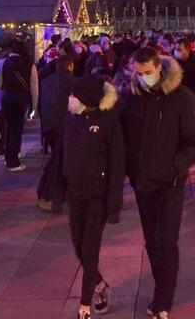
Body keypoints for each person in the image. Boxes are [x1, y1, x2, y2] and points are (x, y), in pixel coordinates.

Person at [118, 47, 195, 319]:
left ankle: (163, 299)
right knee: (152, 242)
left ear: (159, 68)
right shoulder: (130, 99)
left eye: (148, 72)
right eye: (139, 73)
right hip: (143, 181)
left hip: (170, 182)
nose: (144, 78)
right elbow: (122, 138)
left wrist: (175, 166)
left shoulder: (180, 97)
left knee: (166, 240)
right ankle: (160, 286)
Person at [64, 76, 125, 319]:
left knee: (90, 249)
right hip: (74, 193)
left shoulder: (108, 122)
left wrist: (114, 203)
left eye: (74, 96)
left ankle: (86, 302)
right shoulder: (70, 120)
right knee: (78, 245)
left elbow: (117, 164)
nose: (70, 100)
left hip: (97, 195)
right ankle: (99, 283)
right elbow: (62, 154)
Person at [37, 54, 75, 212]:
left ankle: (56, 190)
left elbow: (40, 103)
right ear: (70, 66)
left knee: (56, 157)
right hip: (64, 125)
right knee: (59, 160)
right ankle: (51, 192)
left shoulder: (46, 81)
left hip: (48, 124)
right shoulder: (73, 82)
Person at [0, 41, 39, 171]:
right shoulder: (29, 64)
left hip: (6, 97)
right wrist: (34, 105)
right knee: (17, 129)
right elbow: (34, 86)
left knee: (9, 128)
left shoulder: (4, 62)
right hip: (21, 99)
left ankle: (8, 155)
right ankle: (13, 161)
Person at [175, 37, 195, 112]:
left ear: (187, 50)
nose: (176, 52)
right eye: (176, 49)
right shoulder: (175, 62)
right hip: (181, 98)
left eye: (179, 50)